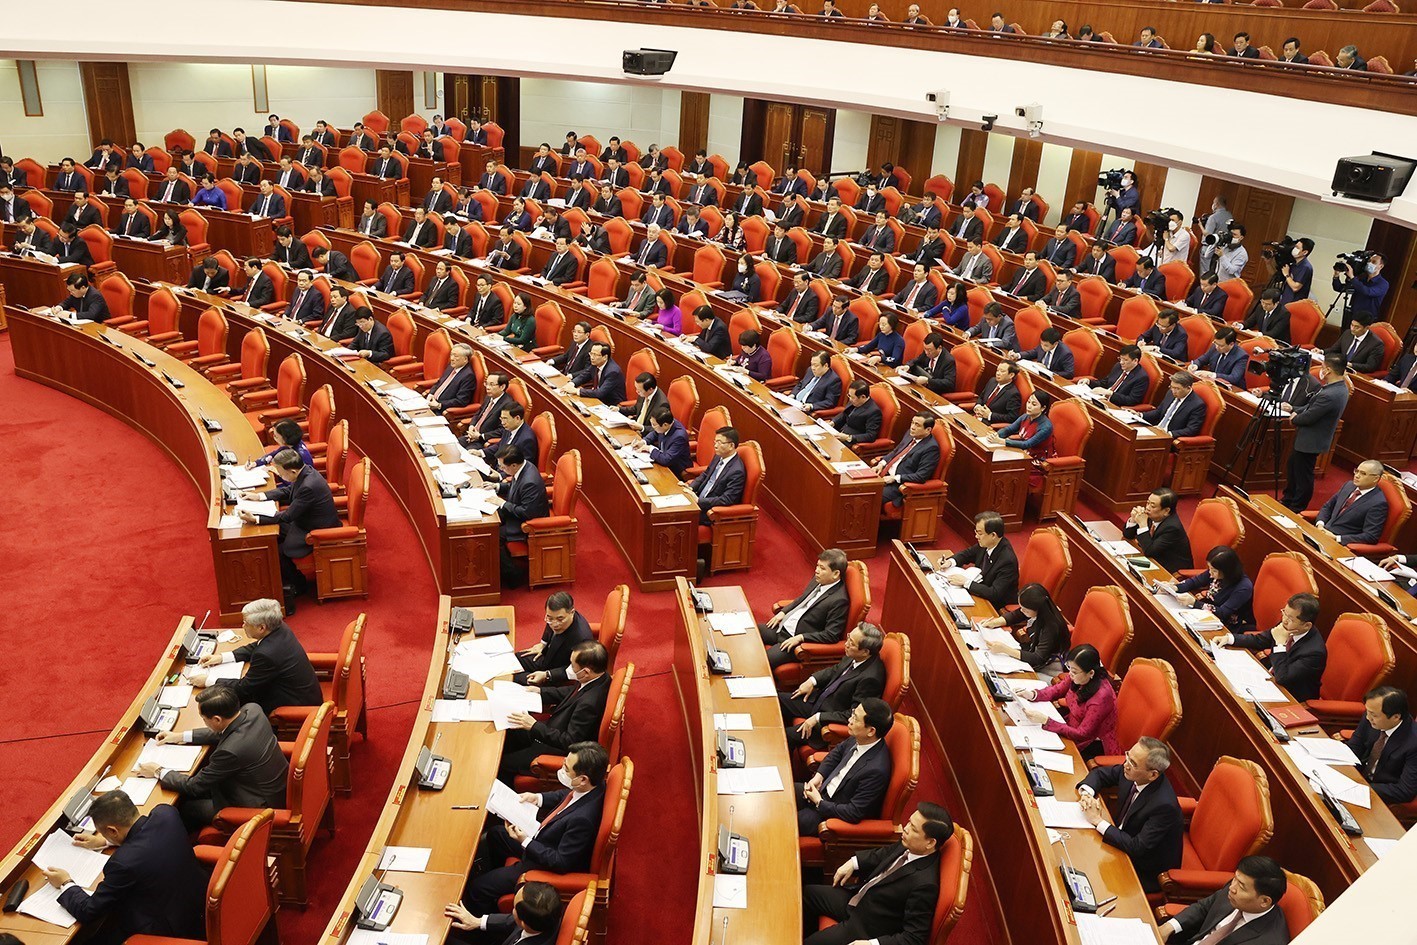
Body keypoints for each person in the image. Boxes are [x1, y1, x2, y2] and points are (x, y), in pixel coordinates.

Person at [41, 790, 206, 943]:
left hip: (169, 929)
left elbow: (89, 911)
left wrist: (65, 883)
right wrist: (105, 841)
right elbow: (146, 838)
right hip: (199, 900)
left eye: (104, 833)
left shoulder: (122, 863)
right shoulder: (166, 813)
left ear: (113, 831)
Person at [463, 742, 609, 914]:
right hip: (543, 839)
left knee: (478, 888)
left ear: (583, 779)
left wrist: (525, 841)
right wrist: (537, 798)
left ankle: (485, 918)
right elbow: (568, 795)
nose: (561, 770)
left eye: (566, 768)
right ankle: (500, 880)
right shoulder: (594, 787)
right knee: (496, 834)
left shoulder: (583, 820)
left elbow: (561, 862)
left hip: (544, 864)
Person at [802, 803, 954, 945]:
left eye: (913, 829)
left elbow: (914, 938)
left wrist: (873, 943)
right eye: (908, 822)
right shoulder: (910, 843)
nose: (906, 829)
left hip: (867, 926)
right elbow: (883, 854)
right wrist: (854, 863)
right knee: (806, 893)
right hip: (858, 898)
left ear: (930, 843)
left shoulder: (925, 885)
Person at [142, 686, 288, 830]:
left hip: (257, 804)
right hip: (274, 787)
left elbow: (194, 786)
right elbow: (224, 732)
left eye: (204, 719)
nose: (204, 722)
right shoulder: (253, 710)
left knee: (186, 807)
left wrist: (158, 771)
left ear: (217, 719)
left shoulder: (230, 751)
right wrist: (180, 736)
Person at [1077, 737, 1184, 893]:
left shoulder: (1164, 806)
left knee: (1092, 880)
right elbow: (1100, 774)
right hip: (1120, 840)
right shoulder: (1132, 771)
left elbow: (1137, 847)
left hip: (1142, 868)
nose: (1126, 764)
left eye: (1133, 763)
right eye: (1128, 755)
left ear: (1153, 775)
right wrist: (1086, 794)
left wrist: (1098, 821)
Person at [239, 448, 340, 602]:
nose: (279, 475)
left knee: (277, 551)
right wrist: (259, 496)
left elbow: (287, 516)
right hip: (303, 521)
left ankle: (299, 584)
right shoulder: (305, 472)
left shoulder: (308, 486)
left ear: (292, 471)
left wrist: (256, 519)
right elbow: (288, 491)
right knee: (274, 538)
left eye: (280, 472)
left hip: (316, 529)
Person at [501, 640, 610, 781]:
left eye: (573, 665)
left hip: (552, 746)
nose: (570, 668)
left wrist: (534, 725)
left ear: (586, 672)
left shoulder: (589, 704)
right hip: (551, 727)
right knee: (508, 728)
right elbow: (571, 691)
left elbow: (570, 741)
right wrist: (540, 691)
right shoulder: (600, 678)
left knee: (503, 763)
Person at [190, 598, 321, 715]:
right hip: (304, 692)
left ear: (261, 628)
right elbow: (257, 646)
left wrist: (208, 681)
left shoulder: (266, 654)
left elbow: (244, 688)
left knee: (221, 704)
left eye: (246, 623)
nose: (243, 626)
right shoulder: (279, 627)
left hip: (294, 704)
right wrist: (222, 657)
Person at [780, 623, 887, 749]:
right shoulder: (855, 655)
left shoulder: (871, 679)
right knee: (776, 699)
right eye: (848, 638)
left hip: (828, 718)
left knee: (784, 736)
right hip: (818, 700)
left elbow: (853, 714)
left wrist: (819, 717)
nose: (846, 644)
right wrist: (812, 680)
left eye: (852, 643)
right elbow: (835, 670)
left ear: (865, 651)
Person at [797, 699, 894, 837]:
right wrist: (819, 776)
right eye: (853, 714)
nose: (849, 720)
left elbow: (854, 812)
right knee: (781, 795)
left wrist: (819, 802)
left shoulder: (877, 771)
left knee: (786, 821)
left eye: (855, 718)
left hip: (829, 813)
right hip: (821, 790)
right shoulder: (859, 737)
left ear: (871, 731)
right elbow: (836, 754)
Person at [1217, 593, 1326, 701]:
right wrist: (1230, 638)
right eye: (1284, 613)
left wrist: (1280, 644)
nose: (1284, 620)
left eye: (1291, 619)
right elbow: (1260, 640)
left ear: (1307, 625)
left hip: (1290, 697)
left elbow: (1283, 677)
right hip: (1268, 680)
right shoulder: (1287, 624)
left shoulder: (1314, 652)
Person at [1159, 856, 1290, 945]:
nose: (1232, 888)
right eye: (1235, 878)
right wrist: (1169, 927)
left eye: (1242, 886)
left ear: (1265, 901)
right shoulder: (1233, 891)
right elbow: (1204, 907)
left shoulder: (1269, 941)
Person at [1019, 644, 1119, 760]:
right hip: (1068, 725)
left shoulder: (1101, 697)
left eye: (1074, 671)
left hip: (1090, 743)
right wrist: (1033, 694)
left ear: (1091, 673)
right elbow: (1057, 690)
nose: (1070, 674)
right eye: (1069, 667)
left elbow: (1082, 734)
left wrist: (1047, 721)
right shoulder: (1078, 676)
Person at [760, 549, 850, 669]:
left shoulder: (839, 600)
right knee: (751, 631)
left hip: (795, 641)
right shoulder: (818, 579)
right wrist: (783, 612)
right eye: (817, 566)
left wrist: (801, 637)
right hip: (783, 627)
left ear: (835, 574)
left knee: (762, 662)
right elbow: (802, 599)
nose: (817, 570)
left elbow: (831, 635)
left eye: (822, 568)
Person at [1282, 353, 1350, 511]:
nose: (1321, 370)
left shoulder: (1331, 394)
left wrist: (1295, 418)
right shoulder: (1335, 387)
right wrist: (1294, 409)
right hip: (1307, 438)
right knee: (1293, 468)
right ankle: (1288, 499)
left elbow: (1310, 416)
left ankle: (1296, 507)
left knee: (1303, 475)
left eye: (1323, 367)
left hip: (1311, 440)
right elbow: (1311, 406)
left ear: (1328, 370)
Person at [1346, 686, 1417, 804]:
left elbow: (1405, 791)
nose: (1368, 717)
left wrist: (1360, 788)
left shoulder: (1413, 743)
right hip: (1357, 779)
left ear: (1396, 717)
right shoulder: (1370, 717)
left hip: (1380, 793)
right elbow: (1354, 747)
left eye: (1374, 715)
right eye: (1367, 712)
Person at [1162, 546, 1256, 633]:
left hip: (1227, 626)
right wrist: (1175, 587)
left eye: (1213, 570)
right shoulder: (1217, 572)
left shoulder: (1243, 587)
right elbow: (1195, 582)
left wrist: (1195, 603)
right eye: (1209, 568)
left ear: (1227, 570)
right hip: (1207, 615)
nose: (1210, 573)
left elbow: (1223, 613)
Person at [980, 581, 1070, 669]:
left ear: (1037, 608)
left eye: (1025, 609)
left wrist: (1005, 650)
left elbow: (1038, 658)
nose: (1021, 610)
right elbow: (1016, 615)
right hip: (1031, 650)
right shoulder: (1037, 611)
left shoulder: (1051, 627)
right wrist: (994, 622)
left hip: (1049, 665)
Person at [446, 880, 563, 944]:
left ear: (523, 923)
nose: (512, 911)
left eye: (514, 908)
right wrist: (477, 921)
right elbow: (511, 920)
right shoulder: (548, 915)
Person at [942, 511, 1019, 606]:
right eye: (976, 532)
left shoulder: (1007, 561)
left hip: (995, 603)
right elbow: (967, 554)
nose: (976, 536)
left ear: (993, 535)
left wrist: (966, 582)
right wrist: (950, 562)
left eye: (980, 533)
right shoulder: (987, 543)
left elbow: (995, 593)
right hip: (980, 590)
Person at [492, 444, 549, 562]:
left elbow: (527, 512)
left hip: (526, 522)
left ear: (513, 465)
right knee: (490, 517)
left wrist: (502, 503)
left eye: (503, 467)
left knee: (493, 535)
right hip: (516, 510)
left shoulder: (529, 482)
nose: (501, 470)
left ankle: (509, 570)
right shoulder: (523, 466)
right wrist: (497, 486)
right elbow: (516, 488)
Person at [1315, 459, 1388, 546]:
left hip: (1339, 544)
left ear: (1375, 478)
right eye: (1357, 471)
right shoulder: (1349, 485)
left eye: (1363, 473)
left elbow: (1370, 536)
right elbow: (1328, 507)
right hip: (1321, 532)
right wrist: (1320, 524)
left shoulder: (1378, 503)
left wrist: (1336, 538)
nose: (1357, 476)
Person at [875, 412, 940, 509]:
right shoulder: (910, 434)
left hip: (898, 485)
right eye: (912, 422)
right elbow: (896, 451)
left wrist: (895, 478)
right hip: (884, 474)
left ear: (928, 430)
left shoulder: (931, 448)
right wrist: (881, 464)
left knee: (870, 497)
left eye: (917, 425)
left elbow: (921, 476)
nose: (912, 427)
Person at [995, 391, 1056, 489]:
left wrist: (1003, 441)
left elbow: (1027, 444)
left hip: (1037, 462)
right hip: (1023, 453)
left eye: (1034, 404)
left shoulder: (1046, 427)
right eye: (1028, 402)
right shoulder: (1025, 416)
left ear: (1043, 408)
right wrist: (996, 435)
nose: (1029, 406)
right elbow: (1009, 429)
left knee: (1005, 469)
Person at [1124, 487, 1192, 572]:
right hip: (1152, 559)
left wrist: (1143, 524)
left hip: (1169, 569)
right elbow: (1128, 535)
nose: (1147, 508)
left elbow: (1149, 551)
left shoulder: (1172, 528)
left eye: (1152, 506)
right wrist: (1133, 520)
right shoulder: (1152, 515)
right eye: (1148, 503)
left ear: (1166, 511)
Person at [691, 426, 746, 525]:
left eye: (719, 443)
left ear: (731, 445)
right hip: (698, 499)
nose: (715, 446)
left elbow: (727, 499)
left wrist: (699, 501)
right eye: (715, 442)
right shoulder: (718, 456)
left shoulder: (737, 471)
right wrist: (691, 487)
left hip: (709, 511)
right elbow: (706, 474)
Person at [1143, 371, 1207, 438]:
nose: (1173, 391)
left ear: (1188, 388)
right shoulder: (1170, 393)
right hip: (1156, 430)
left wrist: (1169, 434)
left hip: (1169, 437)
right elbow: (1158, 412)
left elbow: (1191, 430)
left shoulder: (1197, 405)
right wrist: (1141, 415)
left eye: (1177, 388)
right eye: (1172, 387)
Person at [460, 372, 512, 451]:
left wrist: (481, 436)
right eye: (486, 384)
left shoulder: (507, 404)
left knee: (466, 454)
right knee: (454, 444)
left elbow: (503, 430)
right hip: (472, 435)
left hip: (484, 441)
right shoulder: (489, 397)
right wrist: (472, 426)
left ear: (502, 387)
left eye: (491, 385)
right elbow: (478, 413)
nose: (487, 387)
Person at [1335, 252, 1388, 324]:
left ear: (1380, 266)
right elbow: (1339, 288)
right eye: (1369, 261)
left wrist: (1352, 277)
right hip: (1353, 316)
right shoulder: (1361, 279)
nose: (1369, 263)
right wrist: (1336, 275)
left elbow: (1368, 292)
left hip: (1366, 320)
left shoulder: (1383, 283)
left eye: (1374, 262)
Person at [426, 343, 477, 414]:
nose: (452, 358)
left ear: (465, 359)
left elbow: (461, 401)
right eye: (451, 355)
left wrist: (439, 405)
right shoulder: (451, 366)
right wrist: (431, 394)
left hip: (441, 411)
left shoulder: (468, 376)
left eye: (456, 356)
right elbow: (439, 382)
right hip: (431, 403)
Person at [642, 405, 692, 476]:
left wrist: (650, 448)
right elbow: (655, 433)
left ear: (665, 425)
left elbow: (666, 459)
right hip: (661, 461)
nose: (652, 427)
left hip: (676, 471)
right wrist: (644, 441)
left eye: (654, 425)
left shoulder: (679, 436)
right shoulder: (666, 424)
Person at [973, 361, 1023, 425]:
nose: (998, 373)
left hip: (989, 424)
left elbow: (1012, 417)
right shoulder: (992, 381)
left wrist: (990, 415)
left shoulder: (1013, 394)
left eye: (1002, 371)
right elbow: (981, 397)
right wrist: (978, 406)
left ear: (1011, 375)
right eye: (997, 370)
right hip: (976, 416)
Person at [1278, 237, 1314, 305]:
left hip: (1294, 304)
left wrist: (1287, 275)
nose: (1294, 249)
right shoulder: (1294, 264)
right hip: (1285, 301)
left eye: (1297, 248)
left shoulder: (1305, 267)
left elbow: (1295, 287)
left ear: (1305, 252)